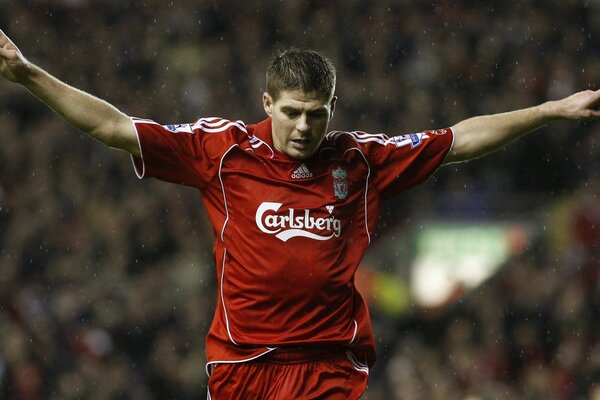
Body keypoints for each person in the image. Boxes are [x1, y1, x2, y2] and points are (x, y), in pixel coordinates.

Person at [1, 28, 599, 400]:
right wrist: (28, 74)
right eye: (292, 112)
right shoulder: (223, 148)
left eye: (317, 114)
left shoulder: (361, 160)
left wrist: (549, 109)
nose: (305, 126)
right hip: (240, 364)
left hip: (325, 364)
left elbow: (460, 139)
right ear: (268, 103)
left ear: (332, 109)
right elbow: (113, 127)